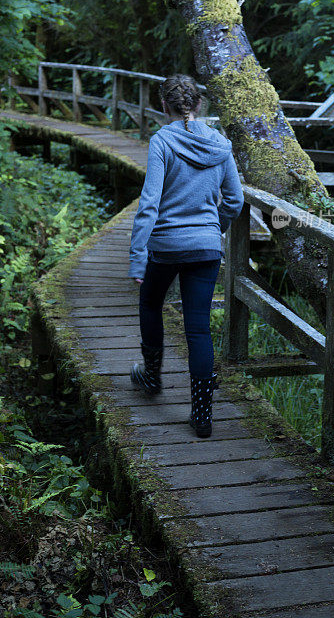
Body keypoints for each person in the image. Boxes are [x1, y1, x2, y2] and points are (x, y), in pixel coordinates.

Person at [128, 73, 244, 438]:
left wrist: (137, 257)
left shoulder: (162, 140)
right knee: (198, 329)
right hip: (206, 247)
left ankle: (150, 377)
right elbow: (236, 201)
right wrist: (213, 230)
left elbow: (149, 203)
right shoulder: (220, 145)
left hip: (165, 246)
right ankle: (203, 416)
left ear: (164, 105)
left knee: (150, 303)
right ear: (198, 104)